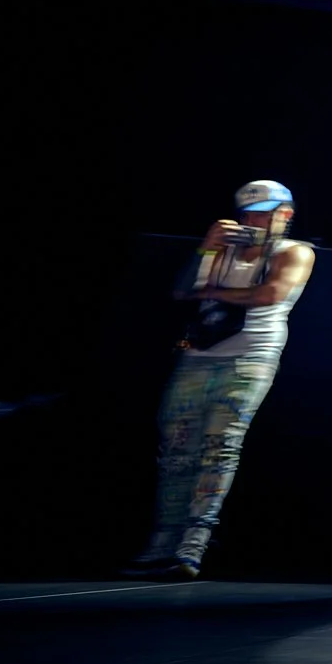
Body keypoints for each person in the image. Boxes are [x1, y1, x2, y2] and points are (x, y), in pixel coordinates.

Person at [126, 179, 315, 580]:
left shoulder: (294, 251)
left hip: (249, 359)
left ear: (284, 215)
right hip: (198, 356)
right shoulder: (221, 249)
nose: (252, 221)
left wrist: (209, 291)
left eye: (262, 214)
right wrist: (207, 247)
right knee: (176, 450)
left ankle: (191, 547)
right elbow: (181, 291)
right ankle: (162, 542)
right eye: (247, 214)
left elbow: (269, 294)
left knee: (220, 447)